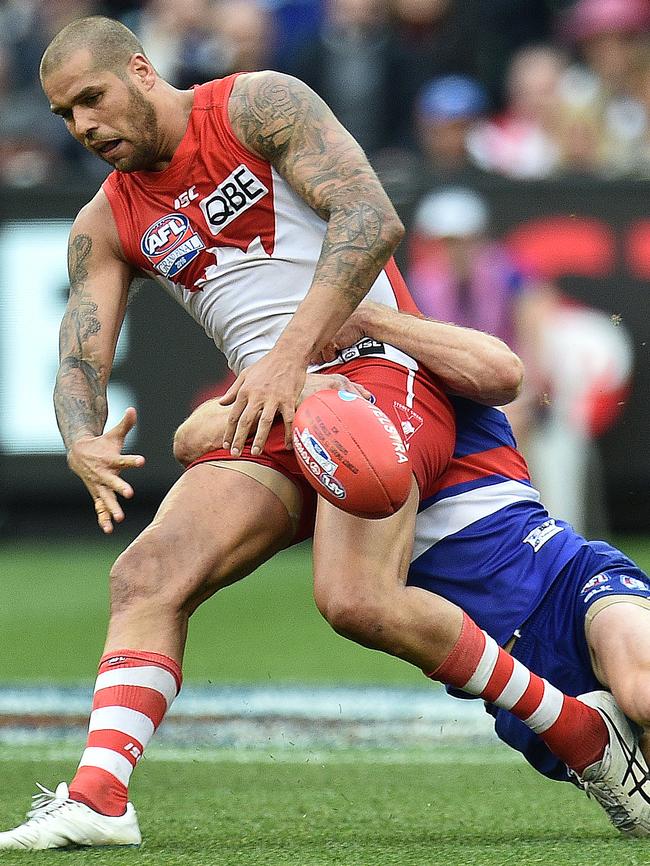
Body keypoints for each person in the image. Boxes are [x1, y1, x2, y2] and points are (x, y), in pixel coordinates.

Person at [0, 14, 644, 850]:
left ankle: (582, 735)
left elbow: (371, 220)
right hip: (273, 403)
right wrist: (80, 437)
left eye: (92, 98)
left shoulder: (255, 103)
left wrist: (286, 359)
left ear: (141, 70)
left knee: (352, 599)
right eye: (64, 115)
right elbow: (78, 359)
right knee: (145, 575)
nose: (83, 126)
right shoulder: (105, 221)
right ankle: (98, 795)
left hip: (373, 366)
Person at [177, 301, 650, 838]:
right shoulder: (303, 399)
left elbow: (504, 371)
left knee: (642, 692)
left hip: (566, 577)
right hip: (513, 668)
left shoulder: (421, 359)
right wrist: (307, 398)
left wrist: (372, 319)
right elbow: (189, 438)